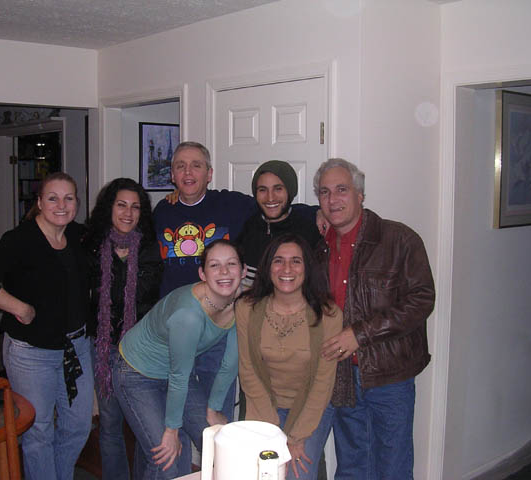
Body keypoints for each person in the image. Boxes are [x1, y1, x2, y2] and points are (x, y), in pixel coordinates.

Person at [0, 172, 93, 480]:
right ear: (39, 202)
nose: (61, 205)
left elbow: (116, 226)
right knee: (39, 430)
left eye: (68, 198)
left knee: (78, 425)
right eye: (52, 198)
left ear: (77, 203)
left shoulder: (79, 236)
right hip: (32, 352)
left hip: (76, 347)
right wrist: (18, 307)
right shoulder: (20, 240)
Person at [314, 158, 435, 480]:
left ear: (360, 195)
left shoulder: (399, 239)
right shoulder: (319, 247)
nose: (332, 199)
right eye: (324, 192)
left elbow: (421, 299)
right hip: (341, 375)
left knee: (392, 467)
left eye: (342, 190)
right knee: (353, 465)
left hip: (389, 377)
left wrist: (359, 334)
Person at [114, 239, 245, 479]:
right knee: (167, 458)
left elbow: (230, 363)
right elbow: (179, 376)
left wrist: (214, 408)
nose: (224, 272)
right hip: (136, 373)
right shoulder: (188, 315)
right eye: (215, 265)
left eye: (231, 264)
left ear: (243, 270)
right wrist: (171, 430)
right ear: (202, 274)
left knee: (216, 443)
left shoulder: (242, 303)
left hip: (174, 374)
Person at [153, 141, 255, 421]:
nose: (188, 172)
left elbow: (275, 207)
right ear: (172, 175)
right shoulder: (162, 212)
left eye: (196, 166)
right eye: (180, 166)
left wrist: (317, 213)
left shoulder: (232, 205)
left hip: (217, 331)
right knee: (173, 412)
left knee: (216, 414)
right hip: (174, 330)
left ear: (209, 173)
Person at [236, 234, 342, 480]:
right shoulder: (247, 308)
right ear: (268, 267)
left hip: (310, 407)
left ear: (307, 268)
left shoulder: (329, 315)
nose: (286, 269)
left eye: (296, 261)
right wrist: (273, 430)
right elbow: (248, 371)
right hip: (264, 405)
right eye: (278, 261)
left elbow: (323, 382)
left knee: (296, 473)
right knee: (262, 473)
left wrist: (295, 437)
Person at [83, 178, 163, 480]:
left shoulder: (151, 247)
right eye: (121, 205)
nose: (128, 213)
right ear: (109, 208)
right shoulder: (91, 246)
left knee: (145, 426)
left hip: (142, 352)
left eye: (135, 207)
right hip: (103, 349)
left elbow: (152, 296)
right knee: (110, 423)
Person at [237, 160, 320, 287]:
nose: (270, 198)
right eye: (263, 190)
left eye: (278, 189)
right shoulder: (248, 227)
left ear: (290, 191)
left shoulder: (308, 231)